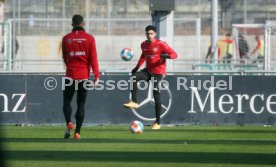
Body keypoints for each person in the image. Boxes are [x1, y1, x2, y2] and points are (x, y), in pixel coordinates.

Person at [123, 25, 177, 130]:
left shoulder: (161, 44)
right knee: (133, 77)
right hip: (148, 72)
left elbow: (175, 54)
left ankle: (157, 122)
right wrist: (137, 67)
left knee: (156, 94)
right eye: (148, 33)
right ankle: (134, 102)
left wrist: (167, 56)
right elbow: (143, 56)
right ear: (145, 34)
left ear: (155, 34)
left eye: (151, 33)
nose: (149, 35)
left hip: (158, 73)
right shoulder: (143, 44)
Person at [62, 14, 100, 140]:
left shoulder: (66, 38)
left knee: (67, 102)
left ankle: (68, 123)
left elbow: (65, 57)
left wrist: (71, 66)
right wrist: (97, 76)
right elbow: (93, 58)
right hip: (83, 76)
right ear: (83, 24)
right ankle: (77, 132)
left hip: (69, 76)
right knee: (81, 104)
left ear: (72, 24)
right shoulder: (90, 38)